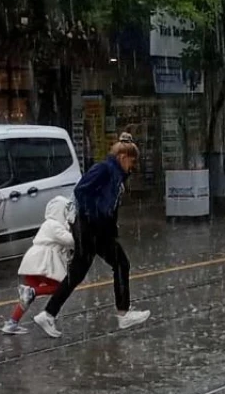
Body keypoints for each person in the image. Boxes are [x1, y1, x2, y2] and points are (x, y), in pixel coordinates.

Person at [34, 139, 150, 338]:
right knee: (120, 263)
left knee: (78, 273)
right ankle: (123, 313)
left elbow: (108, 204)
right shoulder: (105, 170)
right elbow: (81, 191)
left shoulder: (116, 175)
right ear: (122, 157)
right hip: (91, 228)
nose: (133, 168)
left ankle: (48, 313)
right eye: (132, 162)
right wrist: (95, 216)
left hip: (95, 229)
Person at [3, 196, 76, 335]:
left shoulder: (49, 224)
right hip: (42, 262)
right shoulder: (54, 225)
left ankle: (12, 323)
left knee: (27, 297)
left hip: (33, 262)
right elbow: (69, 240)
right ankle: (33, 293)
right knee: (59, 288)